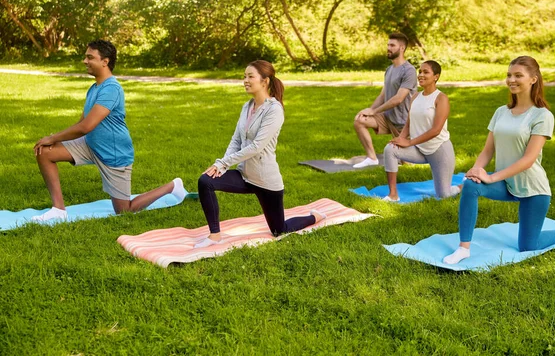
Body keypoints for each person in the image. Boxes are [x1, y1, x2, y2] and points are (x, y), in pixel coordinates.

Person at [443, 56, 555, 265]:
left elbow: (528, 159)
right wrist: (476, 170)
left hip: (533, 188)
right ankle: (463, 249)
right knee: (470, 185)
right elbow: (488, 150)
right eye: (509, 75)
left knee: (528, 246)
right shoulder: (501, 112)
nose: (511, 80)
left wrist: (491, 177)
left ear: (533, 79)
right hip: (506, 184)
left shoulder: (542, 115)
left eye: (518, 75)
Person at [32, 40, 185, 221]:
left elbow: (86, 127)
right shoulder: (95, 88)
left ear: (105, 61)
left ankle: (172, 186)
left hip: (113, 153)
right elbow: (82, 122)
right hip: (90, 144)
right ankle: (59, 209)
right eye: (85, 57)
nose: (85, 61)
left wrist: (52, 137)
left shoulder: (112, 89)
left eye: (90, 57)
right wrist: (55, 141)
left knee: (123, 210)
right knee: (45, 152)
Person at [195, 60, 326, 248]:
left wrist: (224, 163)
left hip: (266, 181)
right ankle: (215, 235)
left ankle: (314, 216)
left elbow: (257, 146)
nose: (245, 80)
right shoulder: (247, 107)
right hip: (244, 176)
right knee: (205, 181)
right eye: (244, 76)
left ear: (264, 81)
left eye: (250, 76)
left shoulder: (274, 110)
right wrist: (221, 164)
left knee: (279, 230)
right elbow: (236, 140)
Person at [382, 60, 461, 201]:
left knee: (444, 195)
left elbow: (436, 130)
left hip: (439, 150)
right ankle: (393, 195)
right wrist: (401, 138)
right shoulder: (416, 96)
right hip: (419, 149)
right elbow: (409, 122)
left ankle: (464, 186)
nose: (421, 75)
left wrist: (410, 142)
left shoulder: (441, 99)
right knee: (390, 149)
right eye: (420, 72)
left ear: (436, 76)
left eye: (426, 72)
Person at [353, 32, 418, 168]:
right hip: (388, 117)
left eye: (392, 45)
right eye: (388, 45)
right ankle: (372, 158)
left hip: (403, 122)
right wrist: (370, 110)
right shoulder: (389, 69)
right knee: (359, 120)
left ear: (401, 48)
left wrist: (375, 111)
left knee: (408, 165)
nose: (388, 48)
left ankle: (406, 157)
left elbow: (398, 99)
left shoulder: (409, 71)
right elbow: (383, 95)